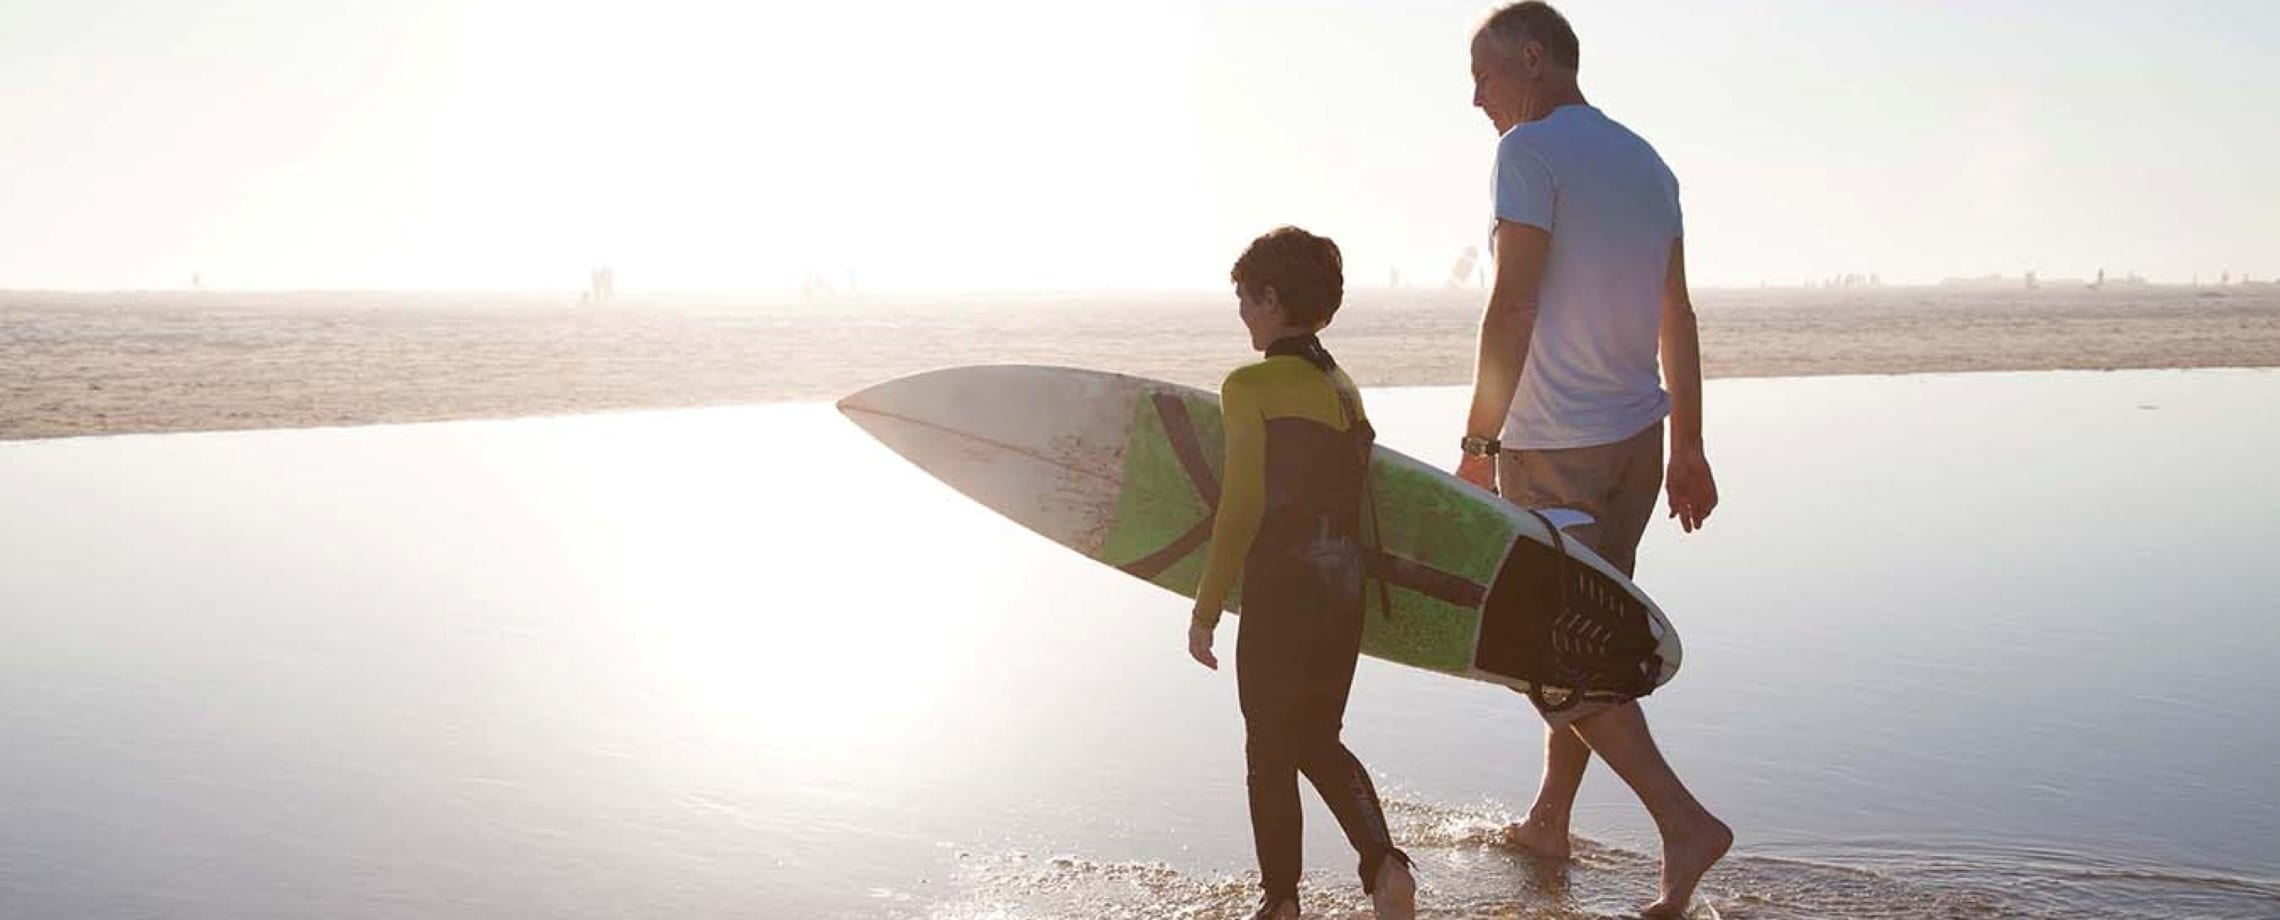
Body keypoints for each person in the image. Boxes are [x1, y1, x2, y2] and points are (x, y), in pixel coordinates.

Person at [1454, 4, 1731, 917]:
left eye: (1485, 74)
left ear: (1533, 59)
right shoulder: (1648, 163)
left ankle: (1683, 823)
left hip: (1553, 444)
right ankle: (1548, 820)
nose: (1477, 96)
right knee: (1587, 636)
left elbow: (1513, 308)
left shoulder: (1528, 154)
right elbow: (1676, 319)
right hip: (1635, 449)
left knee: (1553, 654)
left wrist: (1479, 445)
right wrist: (1688, 446)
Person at [1186, 226, 1418, 920]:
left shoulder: (1250, 385)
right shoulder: (1342, 387)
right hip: (1342, 588)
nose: (1240, 313)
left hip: (1282, 588)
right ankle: (1386, 869)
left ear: (1271, 297)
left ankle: (1281, 902)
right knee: (1317, 736)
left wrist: (1205, 609)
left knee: (1269, 749)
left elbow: (1243, 507)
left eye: (1244, 298)